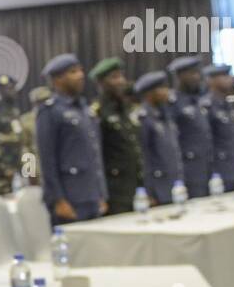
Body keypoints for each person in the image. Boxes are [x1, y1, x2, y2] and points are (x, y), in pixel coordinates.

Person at [35, 53, 107, 223]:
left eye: (80, 70)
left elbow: (95, 155)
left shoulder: (84, 110)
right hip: (70, 199)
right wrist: (58, 200)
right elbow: (47, 160)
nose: (81, 75)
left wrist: (101, 194)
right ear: (57, 80)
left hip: (91, 195)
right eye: (73, 72)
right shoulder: (50, 111)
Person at [89, 57, 142, 215]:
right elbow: (95, 158)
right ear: (101, 84)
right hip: (115, 192)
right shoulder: (97, 113)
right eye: (114, 77)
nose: (121, 81)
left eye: (121, 76)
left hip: (137, 188)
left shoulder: (127, 110)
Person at [167, 56, 214, 198]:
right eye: (193, 73)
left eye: (198, 73)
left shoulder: (197, 100)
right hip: (188, 170)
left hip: (206, 167)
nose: (198, 77)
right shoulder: (172, 103)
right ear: (180, 76)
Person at [136, 71, 184, 204]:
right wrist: (149, 191)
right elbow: (143, 157)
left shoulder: (166, 116)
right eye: (162, 88)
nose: (167, 91)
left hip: (175, 184)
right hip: (158, 187)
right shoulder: (143, 119)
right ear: (150, 93)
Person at [203, 64, 234, 192]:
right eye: (224, 76)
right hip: (218, 170)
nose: (230, 79)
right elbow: (206, 142)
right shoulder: (206, 106)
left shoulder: (229, 104)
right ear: (211, 81)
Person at [0, 73, 25, 190]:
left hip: (25, 159)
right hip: (5, 164)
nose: (11, 91)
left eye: (12, 88)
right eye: (7, 88)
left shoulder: (19, 108)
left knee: (32, 193)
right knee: (6, 195)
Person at [19, 84, 50, 183]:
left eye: (47, 100)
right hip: (38, 170)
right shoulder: (26, 120)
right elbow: (24, 147)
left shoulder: (57, 117)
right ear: (34, 103)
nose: (45, 103)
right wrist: (30, 171)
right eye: (41, 101)